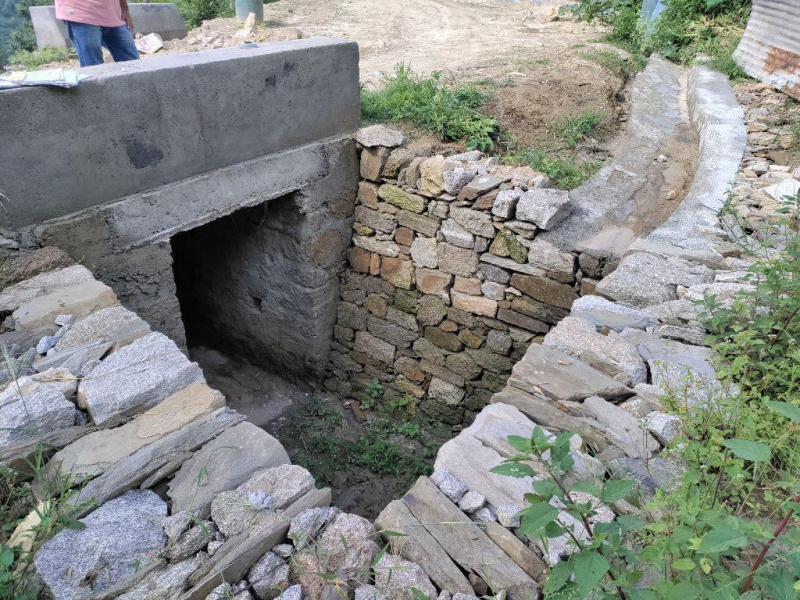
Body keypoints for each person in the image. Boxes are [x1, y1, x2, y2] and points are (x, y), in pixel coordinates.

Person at [55, 0, 140, 67]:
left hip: (113, 13)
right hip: (80, 12)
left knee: (133, 65)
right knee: (93, 69)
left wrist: (124, 8)